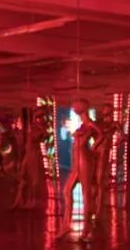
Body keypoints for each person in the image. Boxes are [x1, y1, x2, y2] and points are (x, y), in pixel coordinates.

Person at [57, 99, 101, 242]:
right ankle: (66, 225)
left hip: (84, 159)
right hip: (76, 160)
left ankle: (86, 228)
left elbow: (101, 135)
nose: (74, 108)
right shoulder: (82, 125)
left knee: (86, 193)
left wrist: (93, 148)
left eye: (76, 106)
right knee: (66, 191)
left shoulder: (90, 124)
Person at [13, 109, 50, 210]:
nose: (40, 119)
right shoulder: (35, 127)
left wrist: (43, 130)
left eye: (41, 117)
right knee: (25, 177)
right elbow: (36, 137)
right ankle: (20, 200)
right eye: (39, 117)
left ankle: (31, 200)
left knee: (33, 179)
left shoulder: (39, 129)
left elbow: (42, 137)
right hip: (30, 154)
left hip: (34, 154)